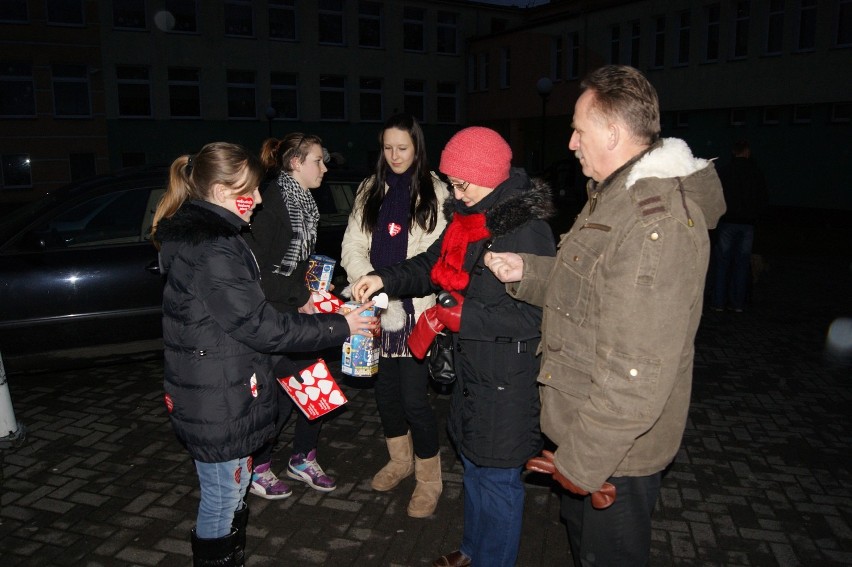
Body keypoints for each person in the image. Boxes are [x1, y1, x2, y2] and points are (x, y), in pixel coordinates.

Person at [485, 65, 726, 566]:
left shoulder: (650, 222)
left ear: (613, 133)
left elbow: (638, 372)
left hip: (614, 456)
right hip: (591, 440)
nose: (571, 143)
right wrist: (526, 271)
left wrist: (581, 462)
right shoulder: (616, 196)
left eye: (578, 129)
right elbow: (592, 284)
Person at [151, 142, 376, 567]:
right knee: (222, 498)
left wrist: (305, 309)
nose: (257, 199)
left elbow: (243, 317)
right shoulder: (215, 249)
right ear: (219, 192)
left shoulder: (214, 238)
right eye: (249, 191)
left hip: (221, 386)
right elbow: (259, 325)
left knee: (232, 491)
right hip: (217, 395)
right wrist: (341, 326)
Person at [351, 126, 556, 567]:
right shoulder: (470, 219)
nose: (456, 193)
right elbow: (432, 265)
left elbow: (538, 316)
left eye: (462, 183)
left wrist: (466, 318)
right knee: (476, 470)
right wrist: (385, 277)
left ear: (489, 175)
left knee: (498, 482)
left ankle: (490, 559)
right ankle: (471, 552)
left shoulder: (526, 230)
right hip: (474, 373)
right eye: (454, 184)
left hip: (506, 381)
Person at [340, 113, 449, 518]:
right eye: (387, 148)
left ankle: (428, 478)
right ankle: (399, 462)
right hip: (373, 310)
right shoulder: (371, 188)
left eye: (402, 148)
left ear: (417, 148)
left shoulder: (435, 191)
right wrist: (366, 279)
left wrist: (390, 281)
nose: (394, 155)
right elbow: (352, 242)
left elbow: (433, 258)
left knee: (413, 401)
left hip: (415, 311)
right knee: (384, 397)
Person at [242, 133, 337, 500]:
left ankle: (301, 457)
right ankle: (259, 466)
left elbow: (296, 263)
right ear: (296, 163)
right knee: (291, 394)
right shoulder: (270, 203)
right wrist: (301, 295)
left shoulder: (304, 204)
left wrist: (317, 289)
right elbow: (259, 273)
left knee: (311, 389)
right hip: (273, 315)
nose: (324, 167)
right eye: (317, 160)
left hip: (296, 310)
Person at [710, 139, 768, 312]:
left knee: (722, 262)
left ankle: (719, 302)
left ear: (733, 152)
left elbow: (716, 196)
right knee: (742, 264)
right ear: (747, 152)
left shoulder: (725, 172)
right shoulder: (755, 172)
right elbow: (763, 198)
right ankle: (738, 303)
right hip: (747, 224)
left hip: (727, 221)